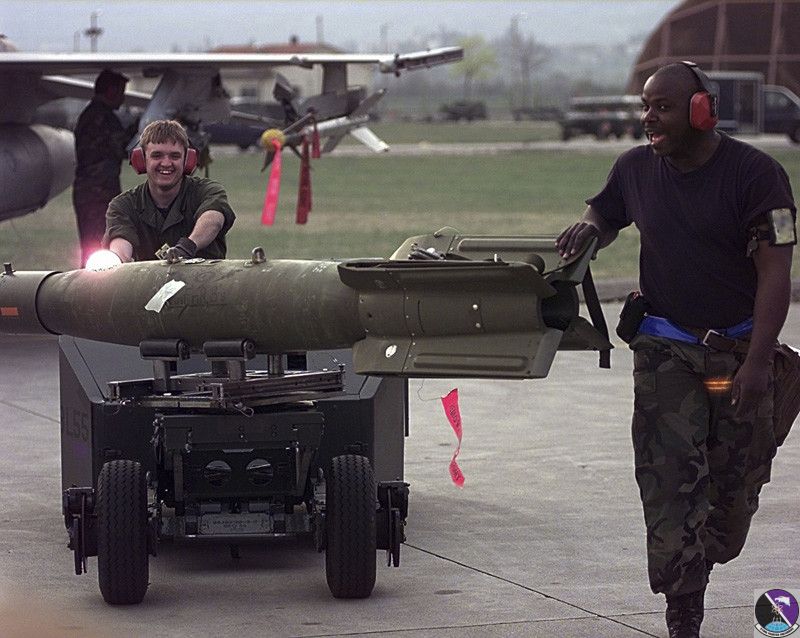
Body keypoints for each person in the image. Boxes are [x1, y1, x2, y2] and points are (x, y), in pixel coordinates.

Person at [557, 62, 795, 638]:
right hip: (666, 351)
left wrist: (758, 362)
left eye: (662, 108)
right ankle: (683, 608)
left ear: (701, 111)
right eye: (645, 107)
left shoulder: (757, 176)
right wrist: (590, 228)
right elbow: (605, 212)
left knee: (731, 505)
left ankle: (697, 561)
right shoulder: (635, 168)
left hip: (737, 357)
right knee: (669, 486)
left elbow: (776, 273)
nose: (649, 119)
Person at [103, 119, 235, 262]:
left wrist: (187, 247)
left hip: (203, 277)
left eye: (175, 156)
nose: (166, 163)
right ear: (141, 160)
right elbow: (120, 243)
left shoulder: (207, 191)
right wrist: (120, 259)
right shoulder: (123, 205)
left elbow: (213, 219)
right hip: (147, 278)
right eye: (157, 155)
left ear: (187, 160)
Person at [73, 69, 138, 267]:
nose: (123, 98)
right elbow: (123, 147)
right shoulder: (103, 117)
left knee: (93, 245)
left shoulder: (91, 115)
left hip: (91, 192)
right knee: (99, 247)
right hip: (98, 194)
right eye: (121, 91)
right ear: (110, 91)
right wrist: (140, 127)